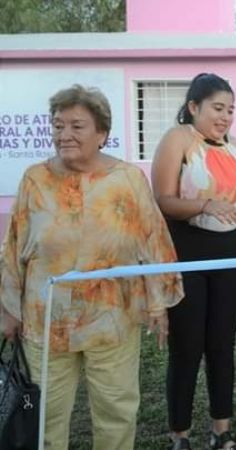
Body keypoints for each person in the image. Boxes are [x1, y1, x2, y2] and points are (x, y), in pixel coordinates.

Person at [0, 84, 183, 450]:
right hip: (45, 320)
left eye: (76, 126)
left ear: (102, 133)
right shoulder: (35, 178)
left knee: (116, 413)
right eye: (57, 125)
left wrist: (158, 302)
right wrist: (8, 309)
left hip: (112, 319)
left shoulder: (128, 179)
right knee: (45, 420)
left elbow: (153, 239)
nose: (64, 134)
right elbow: (14, 246)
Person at [151, 73, 236, 450]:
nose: (226, 116)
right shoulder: (179, 139)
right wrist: (203, 204)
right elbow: (162, 200)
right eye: (217, 108)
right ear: (194, 107)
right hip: (187, 253)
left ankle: (221, 430)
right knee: (187, 345)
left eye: (230, 109)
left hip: (231, 255)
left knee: (221, 344)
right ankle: (179, 434)